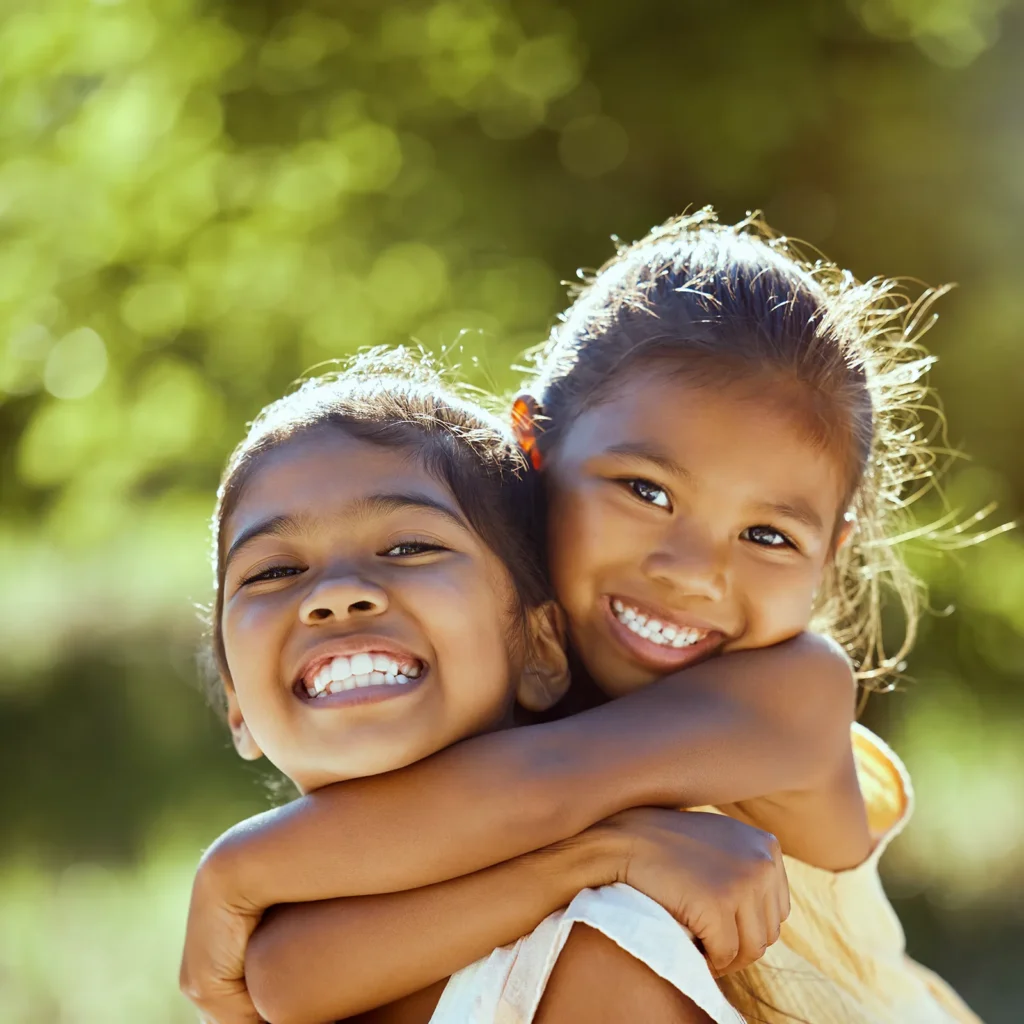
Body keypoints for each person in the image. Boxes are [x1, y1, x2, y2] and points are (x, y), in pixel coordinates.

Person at [181, 210, 981, 1023]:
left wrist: (235, 874)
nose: (694, 572)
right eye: (646, 491)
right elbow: (288, 971)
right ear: (534, 450)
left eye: (768, 535)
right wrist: (604, 856)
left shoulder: (790, 697)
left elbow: (538, 790)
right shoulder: (491, 697)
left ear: (831, 555)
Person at [182, 352, 787, 1024]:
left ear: (541, 649)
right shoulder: (270, 964)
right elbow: (285, 979)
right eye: (272, 572)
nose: (338, 594)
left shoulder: (596, 954)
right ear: (237, 704)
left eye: (410, 547)